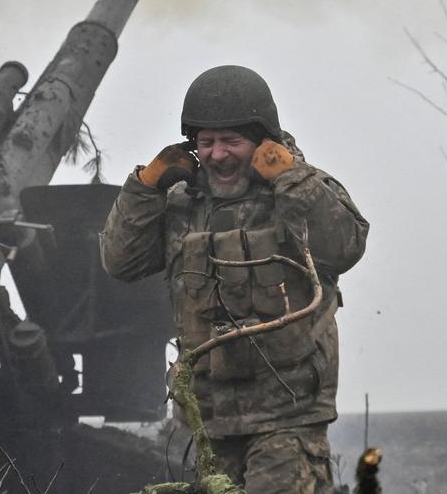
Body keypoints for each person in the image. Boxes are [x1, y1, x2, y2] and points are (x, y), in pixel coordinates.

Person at [102, 65, 369, 493]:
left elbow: (346, 246)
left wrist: (291, 178)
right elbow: (120, 262)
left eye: (232, 141)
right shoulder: (181, 204)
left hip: (288, 416)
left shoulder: (299, 190)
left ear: (263, 140)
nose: (218, 154)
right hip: (208, 420)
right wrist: (145, 186)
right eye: (206, 142)